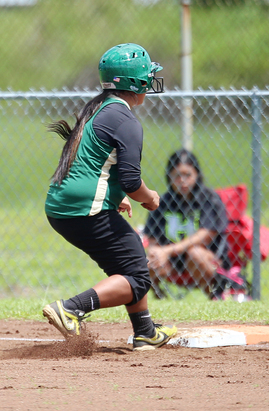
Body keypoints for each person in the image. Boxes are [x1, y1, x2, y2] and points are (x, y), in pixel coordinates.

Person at [43, 43, 177, 351]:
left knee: (131, 265)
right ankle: (71, 308)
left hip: (65, 206)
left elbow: (95, 161)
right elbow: (131, 180)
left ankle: (145, 332)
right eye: (147, 74)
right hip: (83, 208)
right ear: (136, 83)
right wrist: (149, 198)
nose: (150, 79)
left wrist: (114, 196)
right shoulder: (125, 120)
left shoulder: (100, 107)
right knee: (139, 276)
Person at [144, 149, 243, 300]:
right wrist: (156, 252)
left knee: (194, 253)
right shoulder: (162, 202)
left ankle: (214, 296)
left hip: (208, 259)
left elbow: (205, 235)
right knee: (146, 260)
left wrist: (168, 250)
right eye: (177, 175)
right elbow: (152, 238)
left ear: (197, 175)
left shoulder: (209, 199)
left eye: (188, 175)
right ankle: (159, 297)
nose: (182, 180)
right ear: (169, 177)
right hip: (172, 263)